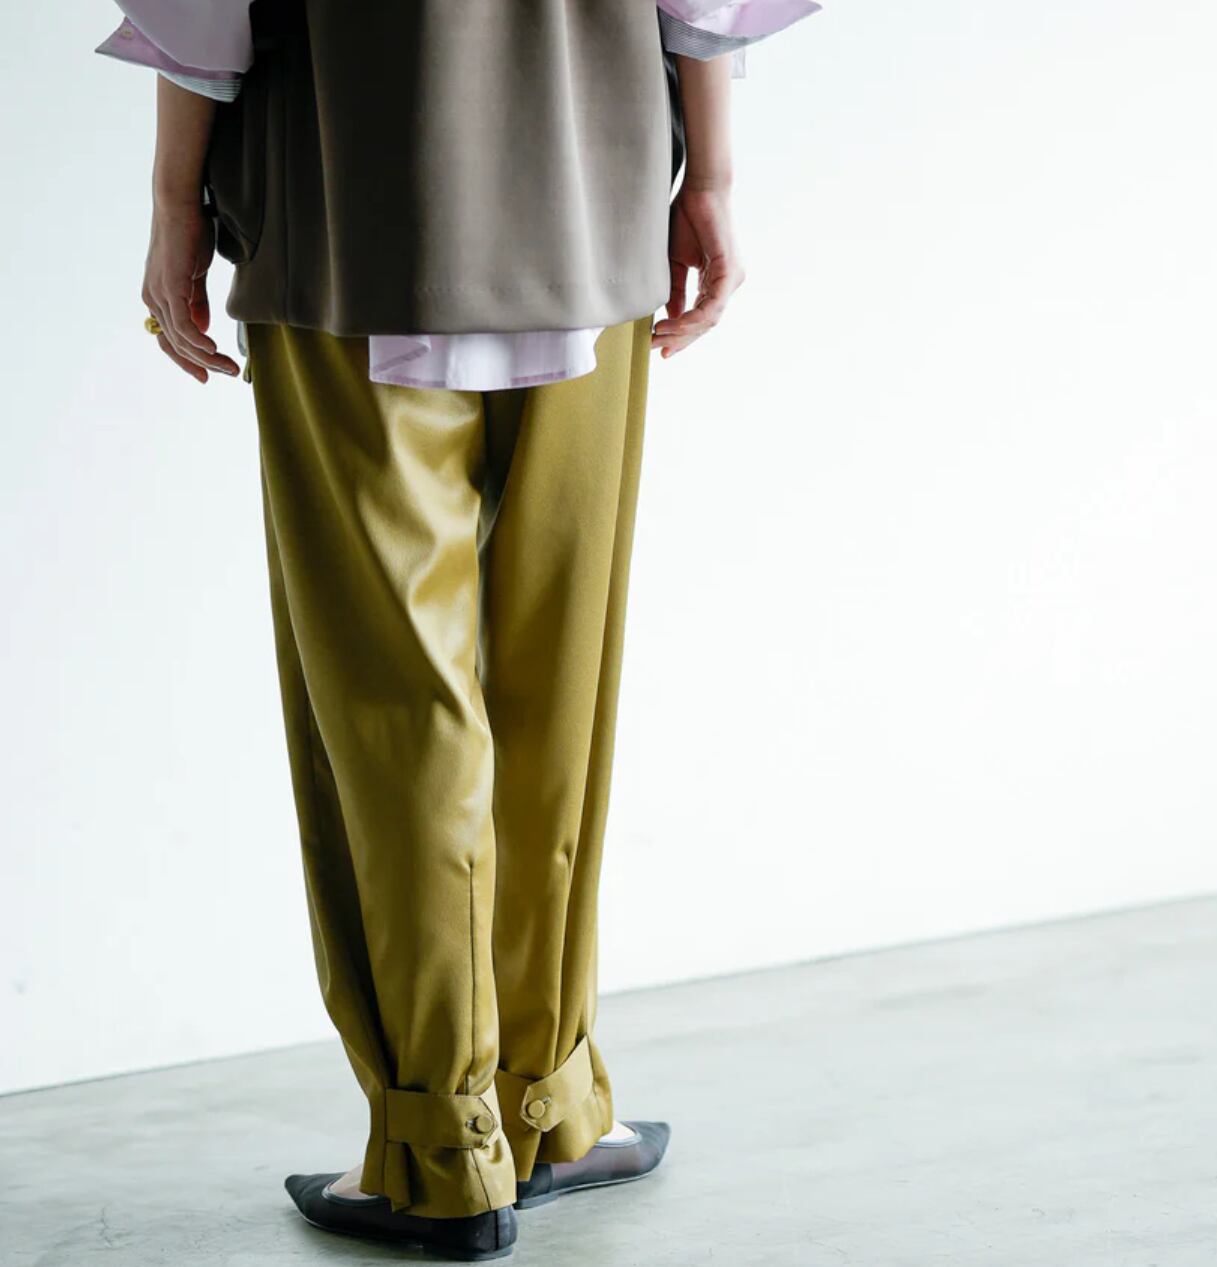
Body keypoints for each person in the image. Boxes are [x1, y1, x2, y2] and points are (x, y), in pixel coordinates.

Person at [99, 1, 820, 1259]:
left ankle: (442, 1145)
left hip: (348, 209)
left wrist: (173, 207)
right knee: (560, 673)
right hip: (586, 203)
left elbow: (200, 13)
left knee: (394, 699)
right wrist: (708, 180)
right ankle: (550, 1105)